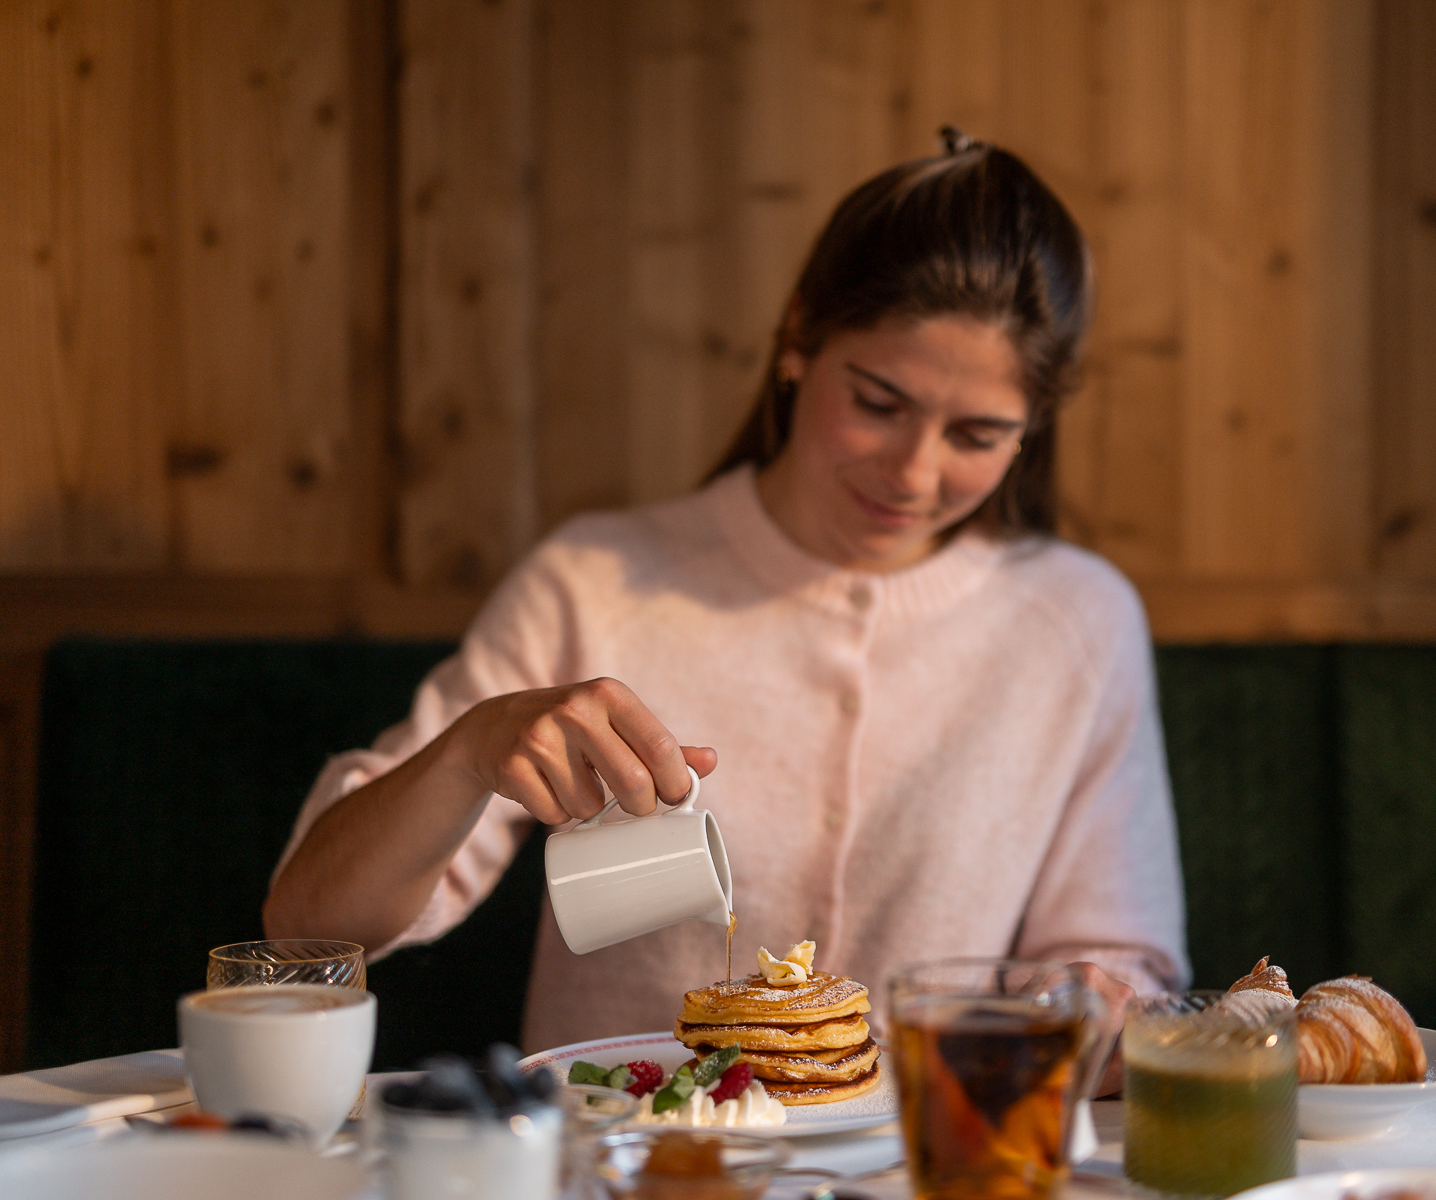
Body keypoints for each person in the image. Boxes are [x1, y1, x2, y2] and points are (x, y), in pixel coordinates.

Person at [265, 130, 1187, 1061]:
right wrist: (466, 755)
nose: (914, 473)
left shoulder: (1077, 622)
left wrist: (1097, 1000)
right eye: (877, 402)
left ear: (1034, 429)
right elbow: (310, 928)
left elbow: (1121, 965)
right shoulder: (596, 582)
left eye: (979, 435)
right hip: (633, 1164)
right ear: (797, 340)